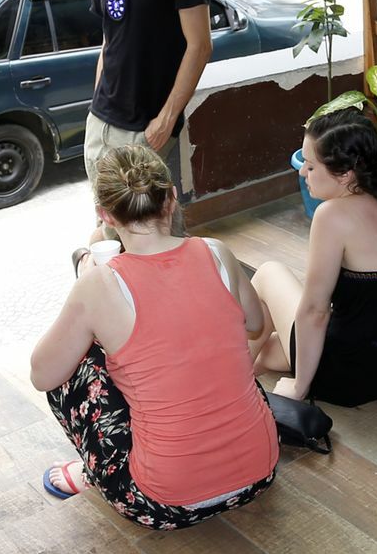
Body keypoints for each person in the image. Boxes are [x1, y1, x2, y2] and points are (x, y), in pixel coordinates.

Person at [31, 144, 278, 530]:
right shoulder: (217, 252)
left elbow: (42, 375)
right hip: (258, 473)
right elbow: (256, 323)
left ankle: (93, 471)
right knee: (207, 356)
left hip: (165, 502)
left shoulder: (98, 283)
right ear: (172, 199)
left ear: (104, 215)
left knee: (80, 366)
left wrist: (85, 297)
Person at [251, 108, 377, 406]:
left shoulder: (332, 215)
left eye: (310, 166)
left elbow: (315, 312)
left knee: (268, 273)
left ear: (345, 173)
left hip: (351, 375)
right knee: (269, 349)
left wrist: (300, 387)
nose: (301, 172)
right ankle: (245, 364)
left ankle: (231, 376)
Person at [89, 0, 213, 238]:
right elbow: (109, 42)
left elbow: (200, 46)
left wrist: (166, 118)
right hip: (102, 124)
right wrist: (97, 102)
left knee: (158, 232)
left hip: (147, 129)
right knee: (109, 228)